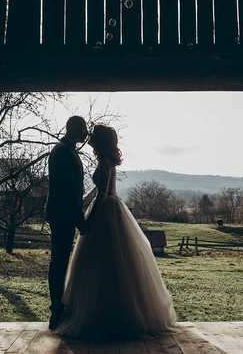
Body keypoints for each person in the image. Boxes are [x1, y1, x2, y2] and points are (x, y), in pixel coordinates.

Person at [57, 124, 176, 341]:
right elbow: (99, 189)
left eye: (93, 135)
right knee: (114, 264)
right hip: (111, 208)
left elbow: (102, 194)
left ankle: (101, 315)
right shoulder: (107, 161)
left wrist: (88, 220)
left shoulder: (103, 162)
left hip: (104, 212)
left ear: (100, 141)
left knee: (102, 263)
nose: (89, 137)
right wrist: (85, 201)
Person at [45, 115, 89, 330]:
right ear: (73, 129)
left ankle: (58, 307)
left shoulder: (67, 150)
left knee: (60, 260)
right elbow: (68, 190)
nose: (86, 132)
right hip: (62, 214)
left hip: (64, 214)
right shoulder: (63, 152)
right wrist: (80, 219)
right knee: (59, 261)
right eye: (83, 128)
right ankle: (56, 309)